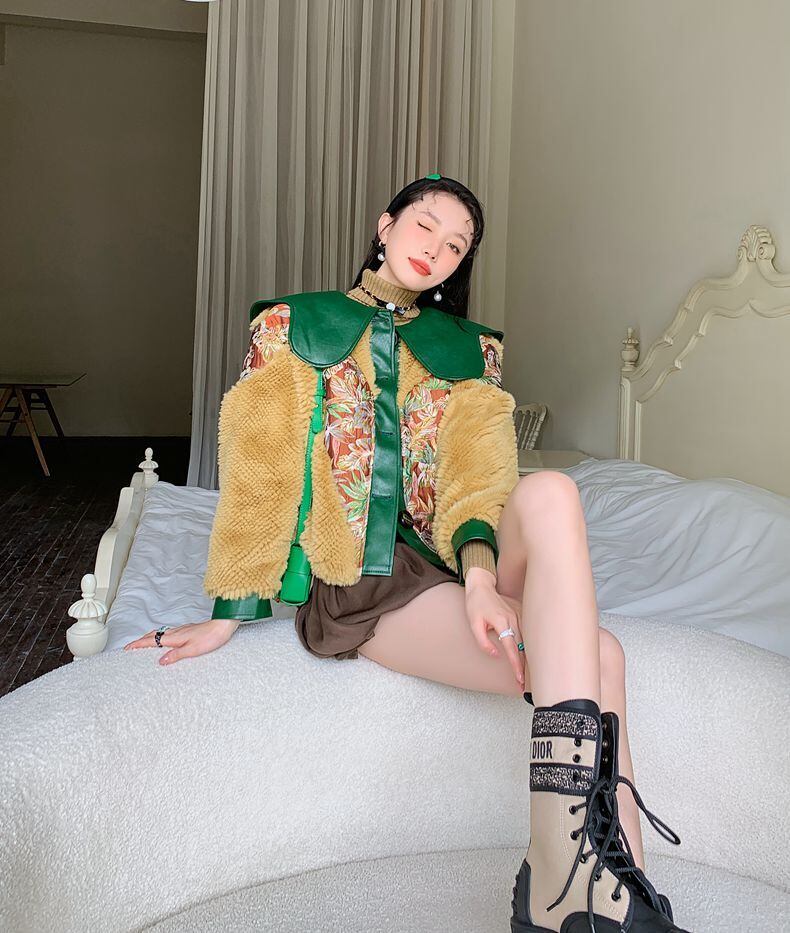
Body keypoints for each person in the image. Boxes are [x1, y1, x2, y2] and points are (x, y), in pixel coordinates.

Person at [124, 174, 690, 933]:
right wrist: (231, 609)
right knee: (605, 655)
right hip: (366, 580)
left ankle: (582, 881)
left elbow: (479, 477)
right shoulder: (293, 324)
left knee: (552, 490)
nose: (437, 250)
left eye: (457, 244)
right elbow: (262, 470)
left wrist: (482, 581)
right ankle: (600, 893)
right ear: (385, 224)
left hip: (457, 559)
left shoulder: (470, 350)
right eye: (426, 226)